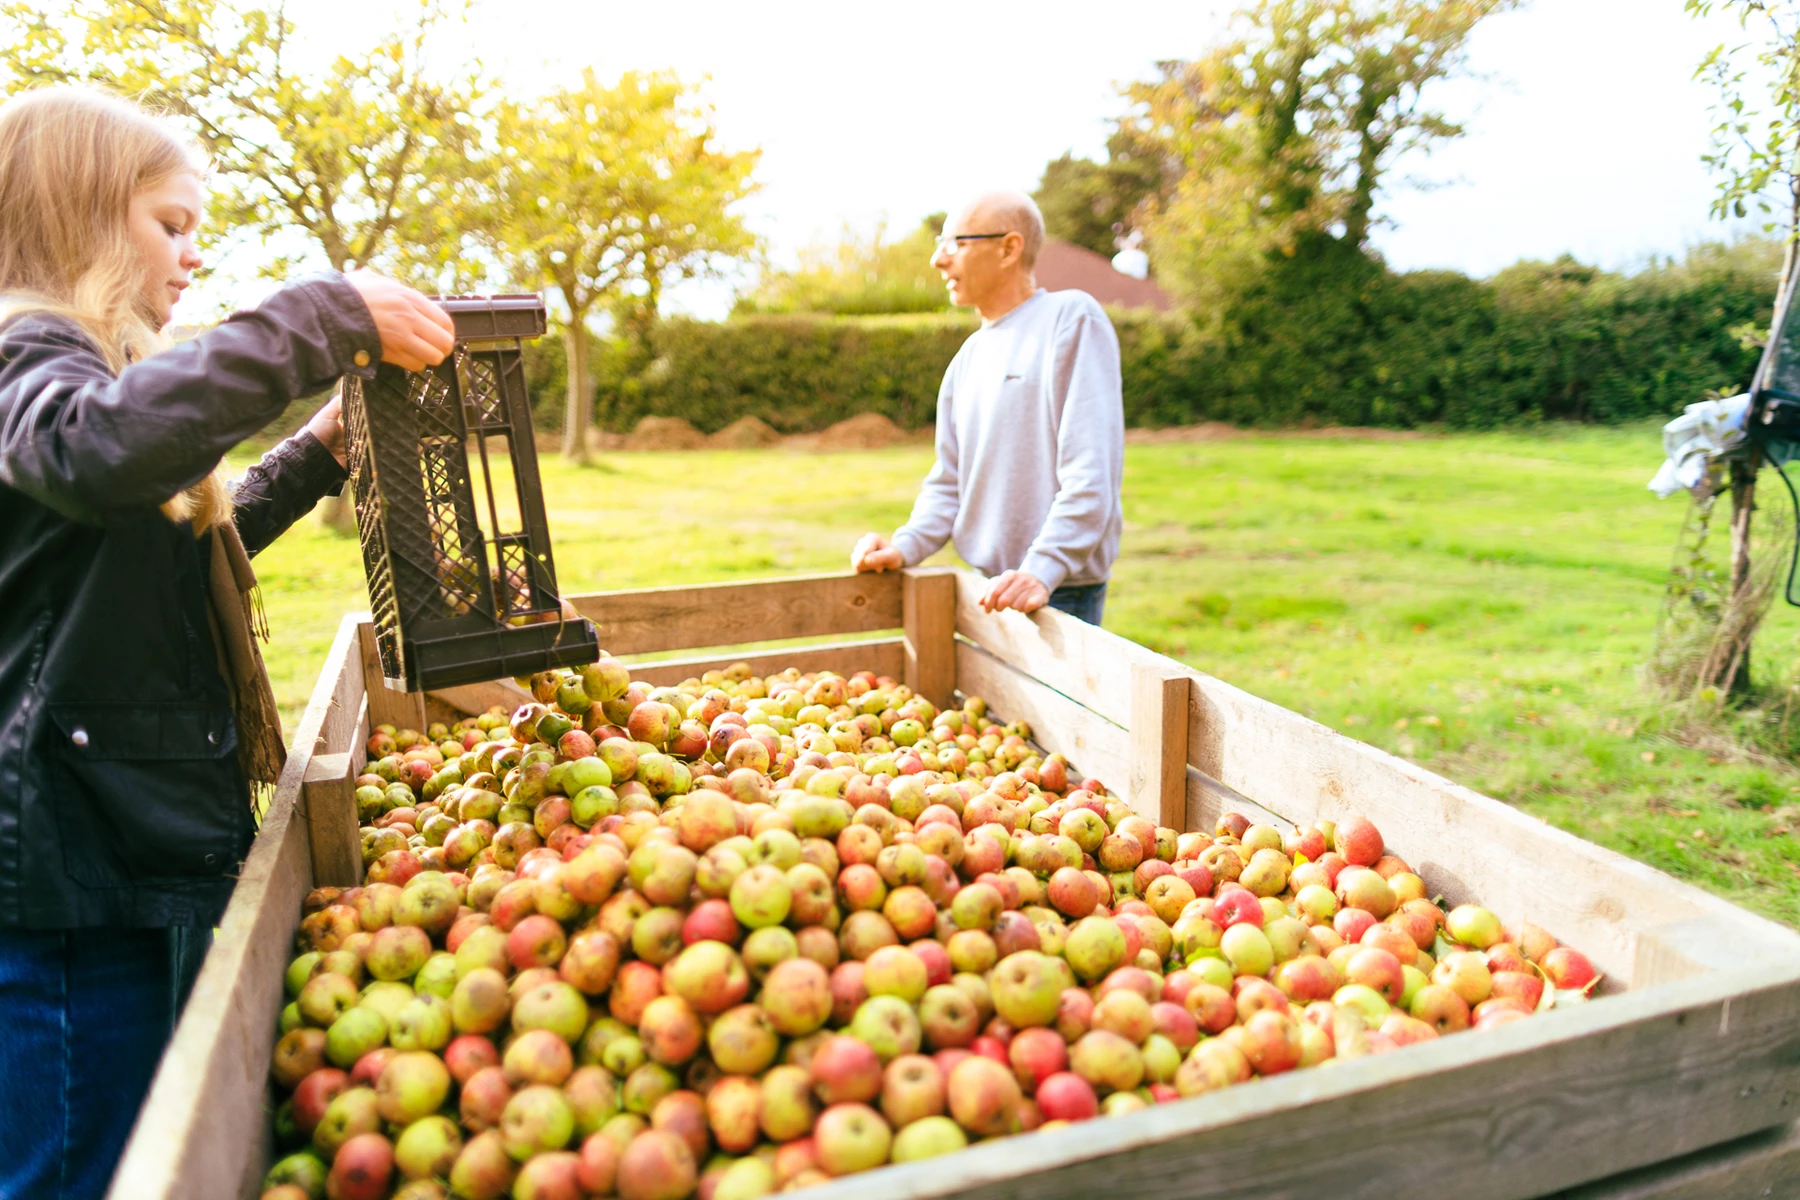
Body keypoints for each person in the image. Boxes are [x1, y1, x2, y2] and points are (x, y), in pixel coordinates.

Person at [0, 86, 455, 1199]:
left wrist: (313, 452)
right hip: (69, 884)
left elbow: (164, 560)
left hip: (124, 855)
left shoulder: (91, 373)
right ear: (82, 215)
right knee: (81, 1170)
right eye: (172, 223)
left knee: (152, 1152)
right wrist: (322, 315)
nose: (193, 255)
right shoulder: (24, 362)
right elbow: (95, 452)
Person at [849, 191, 1123, 624]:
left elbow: (1091, 473)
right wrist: (903, 546)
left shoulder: (1071, 319)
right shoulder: (967, 358)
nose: (938, 259)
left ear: (1009, 248)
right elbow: (949, 484)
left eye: (955, 242)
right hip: (986, 591)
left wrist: (1042, 568)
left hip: (1056, 594)